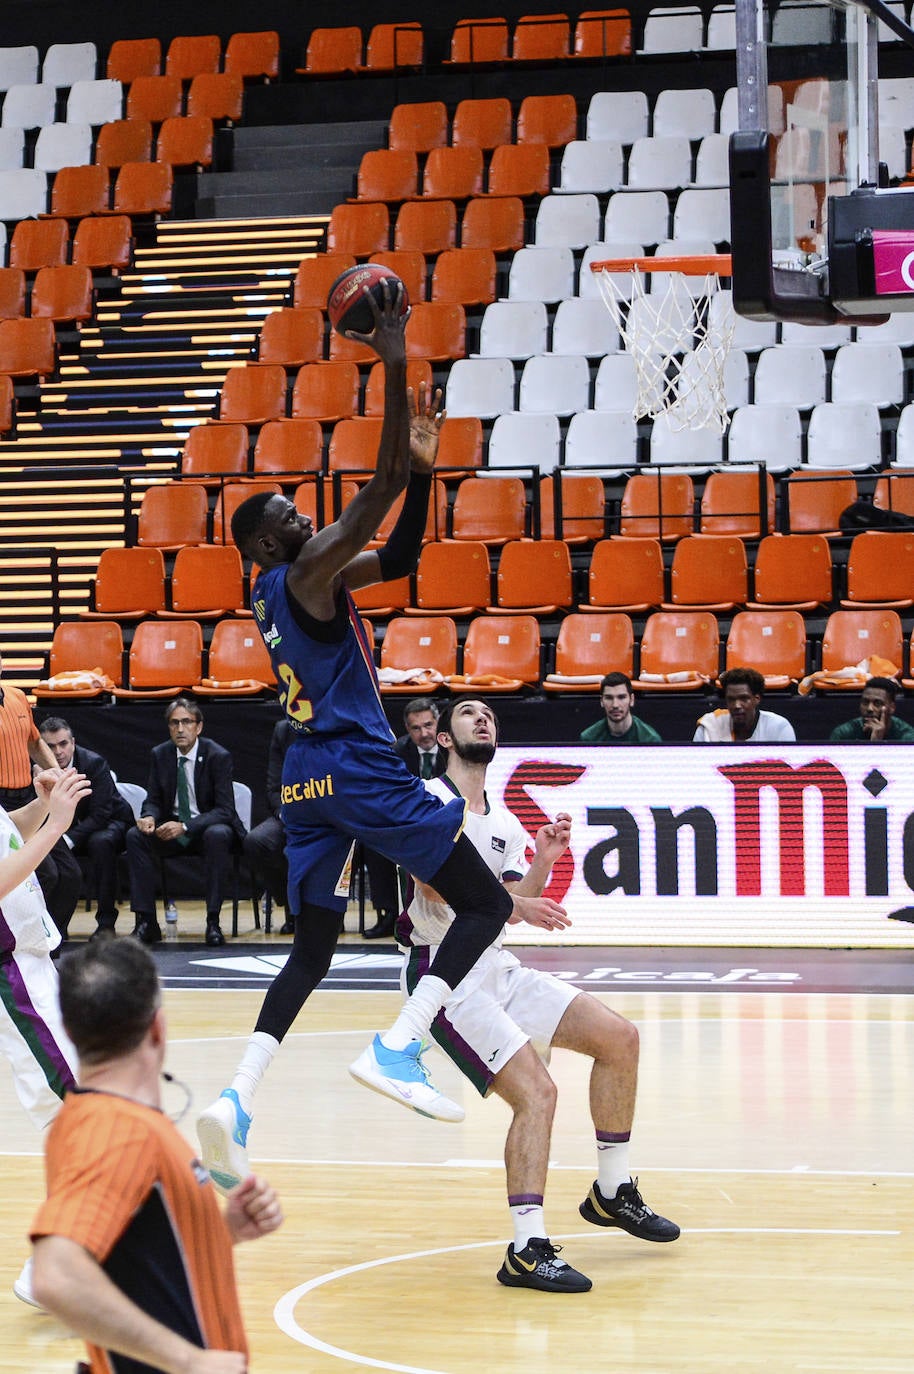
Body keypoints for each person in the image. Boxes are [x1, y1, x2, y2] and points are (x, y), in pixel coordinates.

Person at [196, 284, 566, 1186]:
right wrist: (393, 357)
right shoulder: (304, 574)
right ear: (267, 546)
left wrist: (427, 468)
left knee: (314, 948)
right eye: (288, 517)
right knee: (484, 906)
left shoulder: (286, 587)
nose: (302, 517)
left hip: (305, 780)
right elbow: (380, 491)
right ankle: (400, 1043)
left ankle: (235, 1099)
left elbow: (398, 556)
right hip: (357, 768)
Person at [398, 698, 679, 1292]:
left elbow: (511, 905)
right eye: (468, 713)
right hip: (444, 975)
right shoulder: (427, 800)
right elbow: (435, 886)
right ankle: (526, 1248)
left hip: (495, 964)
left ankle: (612, 1191)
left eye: (489, 715)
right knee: (538, 1094)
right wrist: (516, 904)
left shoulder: (503, 822)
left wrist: (544, 864)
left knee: (620, 1039)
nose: (483, 720)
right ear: (443, 738)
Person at [30, 939, 283, 1373]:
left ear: (69, 1031)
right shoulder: (118, 1132)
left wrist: (217, 1232)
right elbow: (57, 1276)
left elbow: (132, 1258)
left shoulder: (93, 1119)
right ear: (157, 1028)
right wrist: (189, 1361)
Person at [0, 764, 91, 1306]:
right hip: (12, 978)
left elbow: (3, 828)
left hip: (33, 964)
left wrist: (37, 809)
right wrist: (55, 824)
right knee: (80, 1110)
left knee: (81, 1112)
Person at [126, 698, 245, 947]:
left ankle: (213, 921)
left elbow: (225, 810)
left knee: (218, 834)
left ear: (198, 727)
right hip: (172, 830)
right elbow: (153, 799)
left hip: (205, 829)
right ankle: (146, 921)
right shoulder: (160, 754)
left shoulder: (217, 756)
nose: (180, 729)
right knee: (135, 836)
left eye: (186, 722)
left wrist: (186, 826)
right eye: (174, 723)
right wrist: (149, 817)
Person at [0, 655, 82, 939]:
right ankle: (19, 938)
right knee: (45, 874)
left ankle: (51, 944)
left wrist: (59, 774)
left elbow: (35, 742)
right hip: (2, 806)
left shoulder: (17, 697)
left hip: (28, 797)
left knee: (70, 874)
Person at [38, 716, 135, 941]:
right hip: (68, 829)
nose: (58, 752)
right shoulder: (38, 768)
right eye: (50, 746)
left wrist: (67, 839)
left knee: (101, 843)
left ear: (73, 743)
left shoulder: (93, 763)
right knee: (49, 860)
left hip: (111, 822)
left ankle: (106, 924)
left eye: (63, 744)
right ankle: (55, 926)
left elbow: (101, 814)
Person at [363, 696, 446, 940]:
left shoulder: (452, 749)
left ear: (438, 722)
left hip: (445, 820)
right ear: (407, 729)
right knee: (374, 845)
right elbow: (385, 795)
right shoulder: (396, 753)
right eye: (416, 728)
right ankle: (390, 913)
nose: (424, 733)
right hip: (406, 823)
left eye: (429, 725)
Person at [244, 717, 296, 935]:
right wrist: (284, 813)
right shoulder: (284, 730)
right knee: (257, 841)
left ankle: (326, 913)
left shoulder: (336, 723)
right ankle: (293, 906)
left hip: (328, 814)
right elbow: (274, 787)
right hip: (291, 813)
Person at [693, 666, 796, 743]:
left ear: (756, 699)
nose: (737, 705)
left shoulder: (779, 727)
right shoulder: (710, 725)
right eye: (731, 699)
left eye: (744, 698)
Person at [579, 673, 662, 744]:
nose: (615, 705)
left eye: (621, 697)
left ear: (631, 700)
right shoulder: (589, 739)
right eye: (609, 698)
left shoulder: (650, 740)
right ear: (601, 701)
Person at [829, 676, 914, 741]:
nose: (869, 708)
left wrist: (877, 743)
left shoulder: (907, 736)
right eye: (865, 702)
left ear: (892, 707)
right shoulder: (843, 734)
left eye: (877, 703)